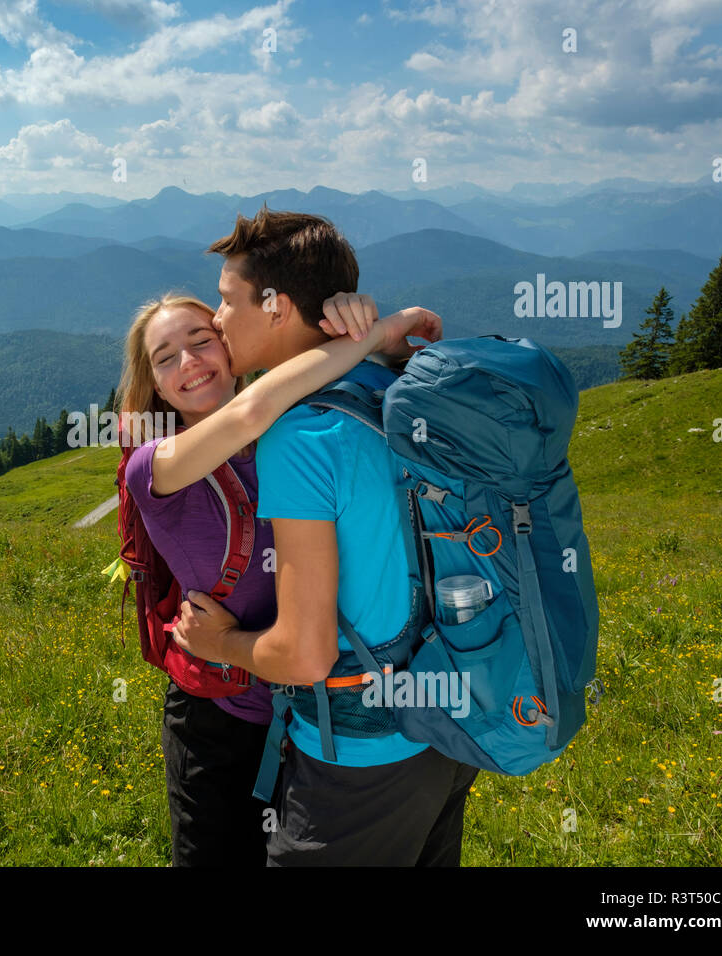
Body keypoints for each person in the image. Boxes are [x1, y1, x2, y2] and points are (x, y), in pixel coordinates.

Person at [173, 206, 479, 866]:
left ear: (278, 306)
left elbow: (305, 655)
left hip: (362, 759)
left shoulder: (303, 435)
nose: (218, 319)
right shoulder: (394, 382)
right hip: (450, 727)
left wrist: (220, 641)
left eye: (228, 301)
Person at [117, 289, 440, 866]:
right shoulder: (153, 466)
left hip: (310, 716)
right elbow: (249, 412)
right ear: (155, 386)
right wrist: (380, 329)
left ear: (230, 346)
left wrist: (342, 320)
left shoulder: (293, 431)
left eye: (201, 341)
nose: (188, 362)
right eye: (166, 358)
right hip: (219, 720)